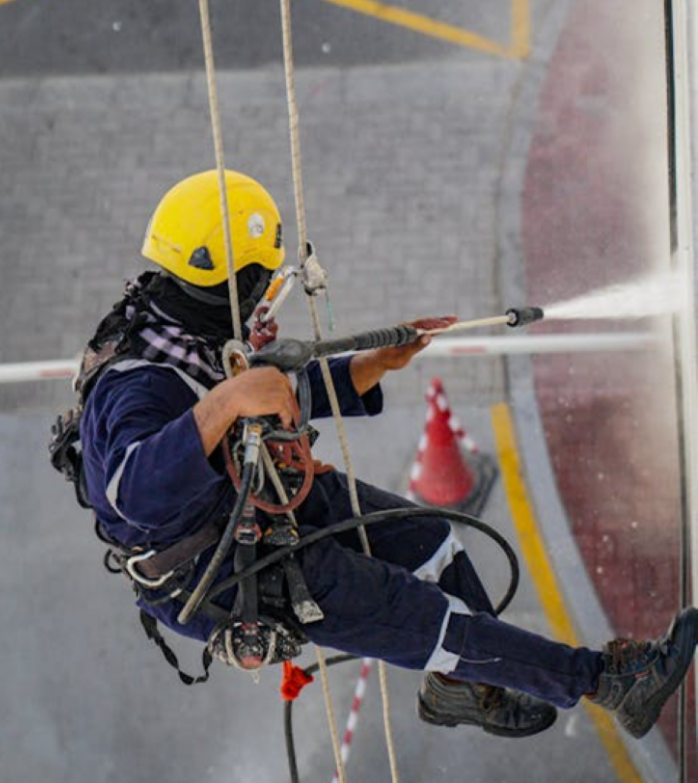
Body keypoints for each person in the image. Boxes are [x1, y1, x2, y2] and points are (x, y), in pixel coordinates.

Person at [77, 169, 697, 740]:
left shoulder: (187, 330)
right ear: (229, 282)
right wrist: (227, 402)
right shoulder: (138, 383)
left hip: (250, 498)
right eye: (260, 281)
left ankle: (462, 688)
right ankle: (607, 684)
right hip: (218, 570)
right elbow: (134, 492)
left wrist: (371, 365)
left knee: (432, 543)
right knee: (430, 623)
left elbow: (270, 396)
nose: (266, 294)